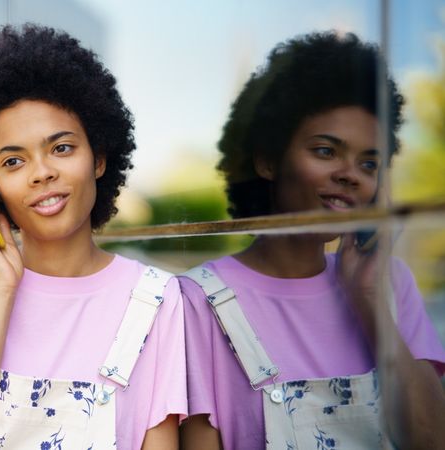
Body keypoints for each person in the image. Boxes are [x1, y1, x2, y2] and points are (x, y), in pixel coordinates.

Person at [0, 24, 186, 450]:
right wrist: (0, 292)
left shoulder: (156, 299)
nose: (41, 172)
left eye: (61, 148)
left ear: (99, 157)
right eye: (13, 161)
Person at [180, 31, 445, 450]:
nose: (350, 174)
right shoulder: (196, 299)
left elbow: (431, 440)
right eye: (326, 151)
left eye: (369, 162)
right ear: (267, 161)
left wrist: (370, 299)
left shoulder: (391, 283)